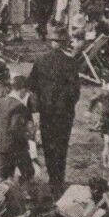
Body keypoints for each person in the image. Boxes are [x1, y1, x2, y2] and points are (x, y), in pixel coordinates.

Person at [28, 27, 82, 191]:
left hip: (46, 111)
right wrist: (70, 104)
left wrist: (37, 108)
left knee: (48, 144)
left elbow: (32, 87)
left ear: (52, 42)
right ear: (65, 43)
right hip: (64, 112)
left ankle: (52, 178)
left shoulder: (40, 60)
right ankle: (59, 179)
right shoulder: (71, 62)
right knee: (62, 145)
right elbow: (75, 91)